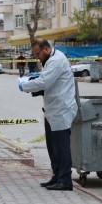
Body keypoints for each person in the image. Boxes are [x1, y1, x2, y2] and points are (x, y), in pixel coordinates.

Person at [18, 38, 77, 191]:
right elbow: (47, 80)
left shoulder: (56, 60)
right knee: (52, 147)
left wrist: (24, 85)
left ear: (46, 48)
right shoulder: (50, 60)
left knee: (61, 147)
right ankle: (57, 176)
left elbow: (44, 82)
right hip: (52, 109)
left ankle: (65, 180)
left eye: (37, 53)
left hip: (61, 109)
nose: (37, 57)